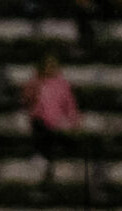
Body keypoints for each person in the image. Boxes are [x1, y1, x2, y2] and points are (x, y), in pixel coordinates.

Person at [21, 53, 80, 183]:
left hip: (56, 122)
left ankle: (46, 166)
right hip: (39, 121)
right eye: (47, 66)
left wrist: (74, 121)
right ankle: (44, 165)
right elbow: (26, 101)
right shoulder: (35, 82)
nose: (50, 68)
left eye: (53, 66)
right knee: (42, 129)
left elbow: (70, 105)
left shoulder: (62, 84)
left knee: (52, 137)